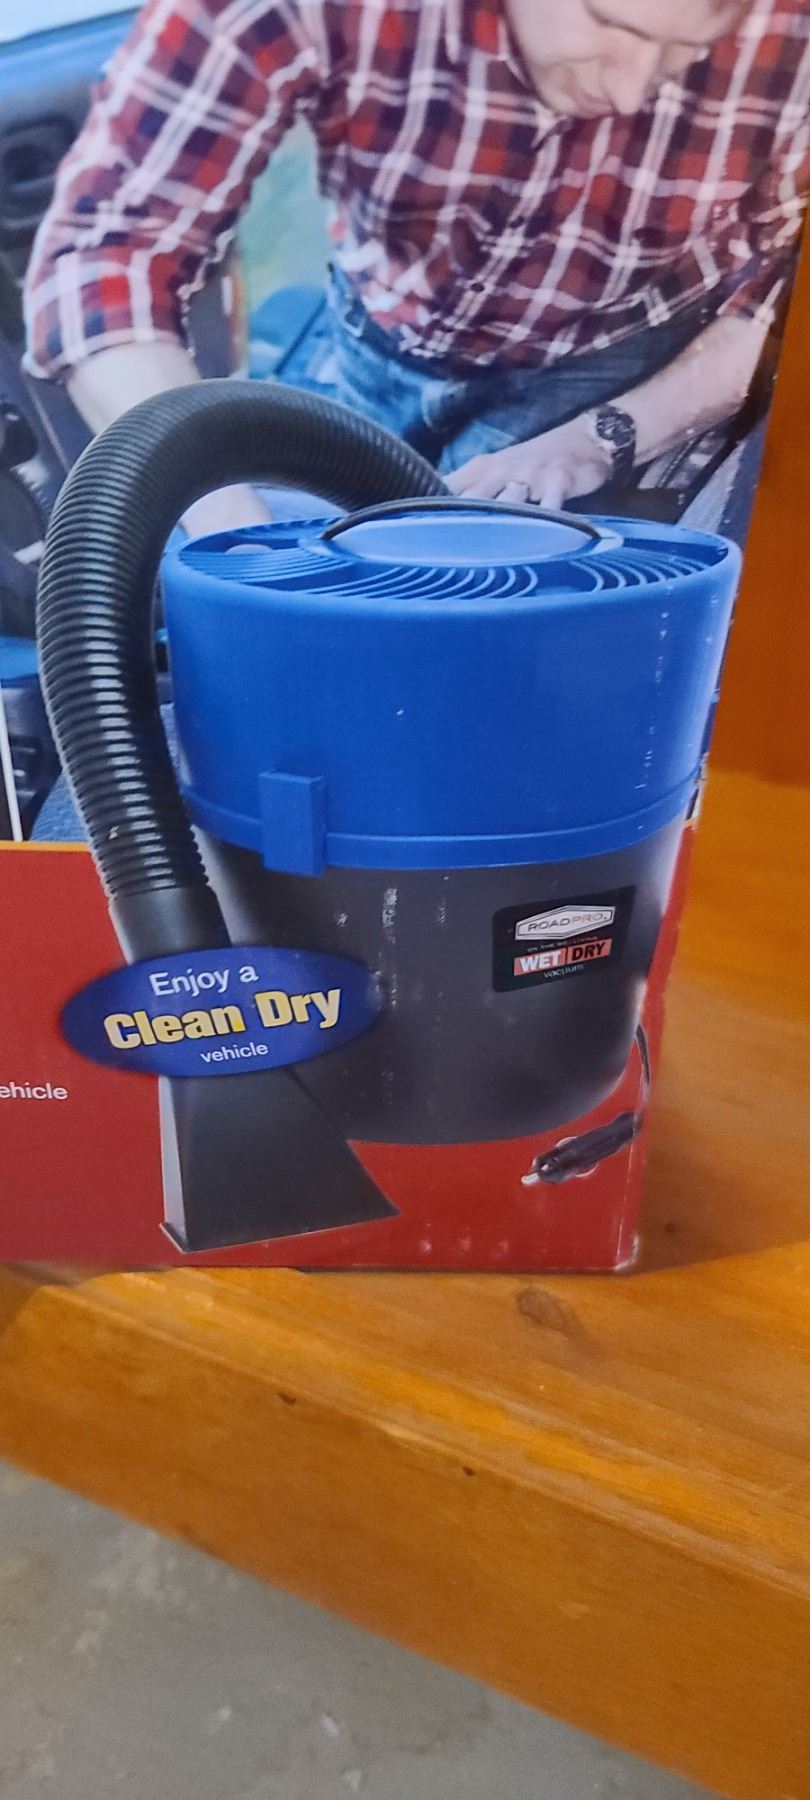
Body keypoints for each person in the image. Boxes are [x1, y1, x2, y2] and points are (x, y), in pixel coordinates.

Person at [23, 0, 810, 533]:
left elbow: (777, 309)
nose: (632, 89)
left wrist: (601, 438)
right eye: (610, 22)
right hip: (374, 340)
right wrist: (226, 521)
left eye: (685, 51)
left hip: (629, 365)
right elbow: (103, 255)